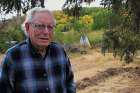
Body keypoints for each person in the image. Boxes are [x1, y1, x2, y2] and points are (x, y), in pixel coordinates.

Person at [0, 7, 76, 93]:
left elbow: (70, 83)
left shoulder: (59, 51)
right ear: (28, 27)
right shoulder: (13, 56)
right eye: (40, 26)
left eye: (50, 27)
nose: (46, 32)